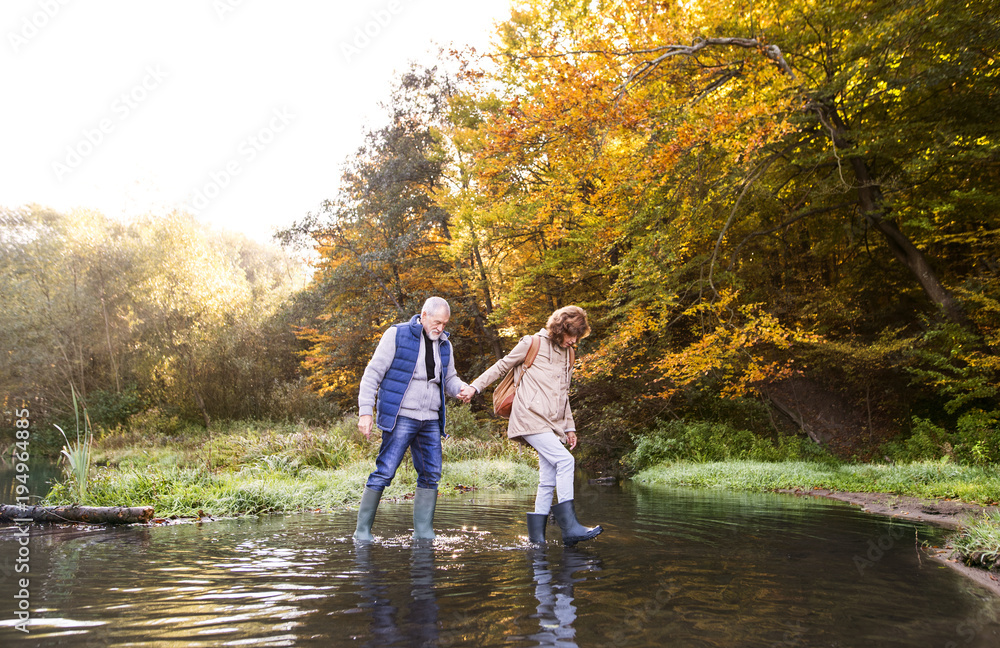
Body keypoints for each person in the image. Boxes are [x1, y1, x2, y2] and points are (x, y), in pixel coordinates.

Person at [459, 305, 602, 546]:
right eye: (572, 335)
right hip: (529, 418)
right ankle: (570, 528)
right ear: (560, 329)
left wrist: (570, 427)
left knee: (547, 479)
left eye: (578, 336)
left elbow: (564, 393)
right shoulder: (532, 343)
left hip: (553, 424)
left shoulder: (569, 354)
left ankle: (537, 541)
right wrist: (474, 387)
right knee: (566, 461)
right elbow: (502, 366)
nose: (574, 341)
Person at [354, 296, 471, 542]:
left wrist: (461, 388)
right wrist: (366, 411)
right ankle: (362, 531)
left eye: (445, 323)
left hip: (430, 420)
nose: (440, 327)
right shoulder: (397, 335)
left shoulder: (445, 345)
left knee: (431, 474)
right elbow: (372, 373)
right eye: (437, 322)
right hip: (402, 415)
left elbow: (449, 379)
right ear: (424, 315)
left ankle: (423, 532)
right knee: (385, 471)